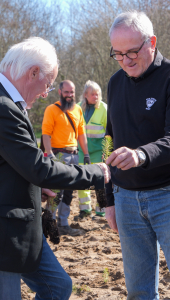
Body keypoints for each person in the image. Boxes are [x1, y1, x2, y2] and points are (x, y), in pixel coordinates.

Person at [0, 37, 110, 300]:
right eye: (48, 85)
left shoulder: (12, 104)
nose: (44, 93)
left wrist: (37, 185)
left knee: (57, 286)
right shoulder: (3, 108)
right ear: (33, 72)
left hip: (21, 225)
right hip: (6, 231)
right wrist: (97, 172)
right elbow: (39, 167)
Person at [105, 10, 170, 300]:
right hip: (126, 200)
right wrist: (109, 198)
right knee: (138, 290)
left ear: (152, 42)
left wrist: (141, 155)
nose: (126, 60)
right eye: (118, 54)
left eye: (132, 51)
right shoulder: (114, 83)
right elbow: (109, 141)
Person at [42, 80, 91, 236]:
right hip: (58, 155)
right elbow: (45, 134)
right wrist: (50, 155)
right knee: (56, 192)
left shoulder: (77, 110)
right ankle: (49, 224)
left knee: (69, 192)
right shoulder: (51, 109)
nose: (69, 95)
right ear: (60, 92)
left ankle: (63, 224)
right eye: (66, 92)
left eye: (72, 92)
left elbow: (82, 134)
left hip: (74, 155)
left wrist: (87, 153)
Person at [74, 80, 107, 221]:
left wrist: (107, 152)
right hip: (81, 150)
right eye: (93, 94)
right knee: (82, 180)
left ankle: (101, 210)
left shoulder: (104, 108)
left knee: (101, 180)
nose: (96, 96)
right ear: (85, 95)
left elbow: (109, 131)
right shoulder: (77, 108)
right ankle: (85, 210)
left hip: (99, 149)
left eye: (98, 94)